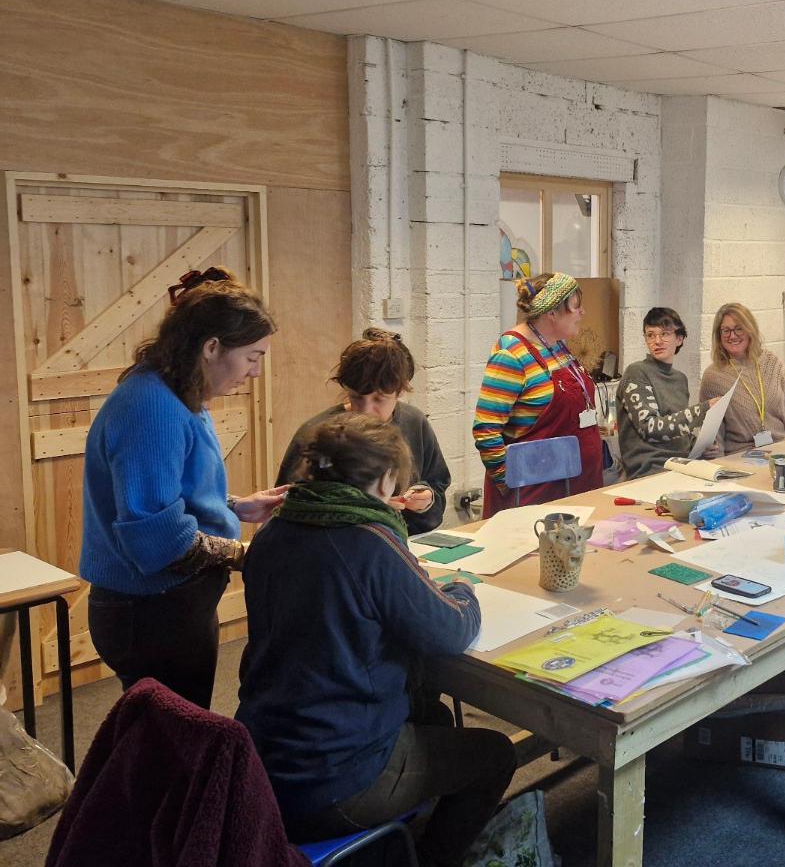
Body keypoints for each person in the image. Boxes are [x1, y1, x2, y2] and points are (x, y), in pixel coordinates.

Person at [237, 414, 515, 867]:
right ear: (386, 479)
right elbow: (450, 629)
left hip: (262, 756)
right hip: (334, 778)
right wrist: (464, 590)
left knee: (433, 715)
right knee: (495, 754)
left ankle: (389, 844)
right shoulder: (368, 540)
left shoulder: (274, 531)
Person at [80, 267, 287, 708]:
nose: (255, 372)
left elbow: (164, 498)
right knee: (171, 751)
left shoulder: (178, 392)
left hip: (168, 606)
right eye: (252, 356)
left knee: (171, 743)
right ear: (212, 347)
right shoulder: (151, 407)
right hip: (151, 613)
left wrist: (233, 507)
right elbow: (158, 541)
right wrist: (249, 556)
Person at [277, 328, 450, 534]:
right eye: (357, 397)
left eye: (379, 399)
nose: (366, 411)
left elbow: (437, 486)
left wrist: (426, 500)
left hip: (402, 545)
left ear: (402, 390)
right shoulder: (319, 433)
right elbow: (286, 504)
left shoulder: (415, 423)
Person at [474, 272, 603, 515]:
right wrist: (510, 485)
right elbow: (486, 430)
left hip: (577, 487)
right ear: (552, 313)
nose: (582, 312)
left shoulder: (557, 346)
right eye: (576, 307)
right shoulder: (511, 356)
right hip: (535, 498)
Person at [698, 303, 785, 454]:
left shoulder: (773, 363)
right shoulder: (713, 377)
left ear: (750, 330)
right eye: (726, 330)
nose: (732, 336)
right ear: (718, 336)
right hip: (743, 457)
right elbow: (713, 440)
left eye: (738, 328)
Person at [617, 307, 720, 477]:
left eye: (664, 334)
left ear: (679, 339)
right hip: (652, 469)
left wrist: (700, 447)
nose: (657, 341)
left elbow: (677, 432)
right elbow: (650, 429)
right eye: (650, 335)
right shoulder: (636, 372)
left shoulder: (680, 379)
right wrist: (703, 410)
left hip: (684, 465)